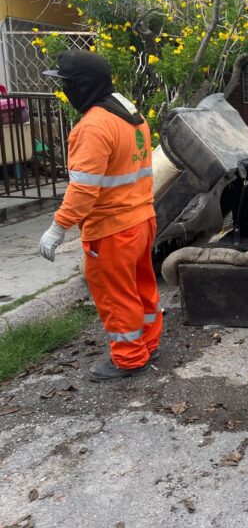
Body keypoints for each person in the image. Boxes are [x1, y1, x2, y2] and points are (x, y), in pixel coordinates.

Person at [38, 50, 161, 382]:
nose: (65, 91)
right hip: (142, 219)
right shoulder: (132, 117)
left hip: (112, 230)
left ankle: (129, 356)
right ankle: (148, 342)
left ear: (80, 87)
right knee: (141, 286)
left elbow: (83, 190)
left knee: (116, 295)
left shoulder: (93, 126)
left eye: (66, 85)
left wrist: (57, 228)